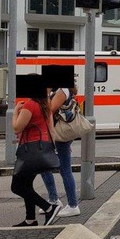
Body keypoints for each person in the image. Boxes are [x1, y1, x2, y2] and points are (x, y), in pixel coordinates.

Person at [11, 91, 62, 227]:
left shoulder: (30, 105)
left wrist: (15, 111)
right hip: (41, 151)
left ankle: (49, 208)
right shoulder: (45, 106)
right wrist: (53, 149)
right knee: (27, 186)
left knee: (17, 187)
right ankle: (30, 219)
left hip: (28, 152)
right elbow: (52, 131)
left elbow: (17, 128)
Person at [40, 86, 81, 218]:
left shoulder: (63, 91)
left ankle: (73, 205)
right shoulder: (60, 91)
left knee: (64, 169)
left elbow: (49, 110)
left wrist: (46, 94)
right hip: (56, 134)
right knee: (44, 166)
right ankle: (53, 199)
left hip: (60, 135)